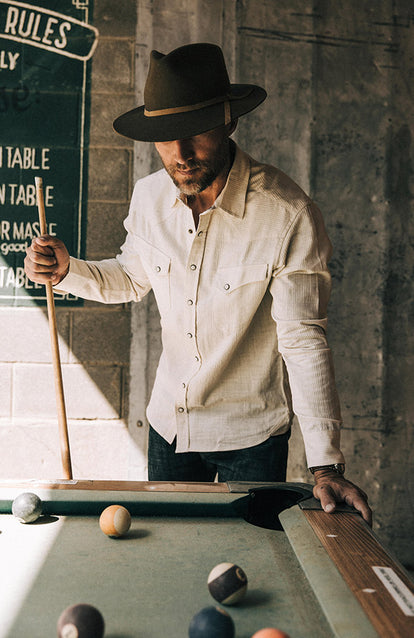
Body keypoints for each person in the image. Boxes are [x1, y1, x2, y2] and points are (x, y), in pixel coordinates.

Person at [25, 43, 371, 524]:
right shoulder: (148, 197)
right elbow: (129, 278)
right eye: (166, 137)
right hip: (169, 428)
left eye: (195, 133)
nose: (181, 154)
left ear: (229, 120)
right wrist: (66, 271)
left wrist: (326, 465)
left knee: (247, 571)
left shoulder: (288, 214)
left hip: (251, 439)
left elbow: (302, 338)